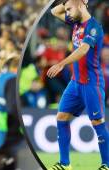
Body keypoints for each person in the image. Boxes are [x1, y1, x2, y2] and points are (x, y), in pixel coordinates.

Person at [48, 0, 109, 169]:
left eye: (69, 9)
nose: (66, 12)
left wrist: (61, 64)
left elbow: (83, 50)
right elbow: (54, 11)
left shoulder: (94, 27)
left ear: (81, 5)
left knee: (97, 123)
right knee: (61, 118)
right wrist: (70, 2)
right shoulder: (75, 21)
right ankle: (65, 164)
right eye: (66, 9)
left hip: (92, 83)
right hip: (75, 83)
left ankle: (106, 165)